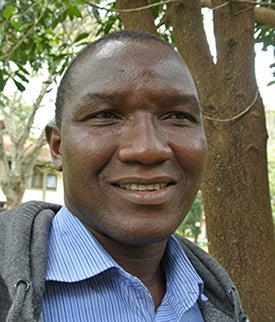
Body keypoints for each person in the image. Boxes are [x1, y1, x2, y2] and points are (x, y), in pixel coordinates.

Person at [0, 30, 248, 322]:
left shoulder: (214, 296)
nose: (147, 149)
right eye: (105, 115)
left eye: (178, 116)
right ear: (57, 147)